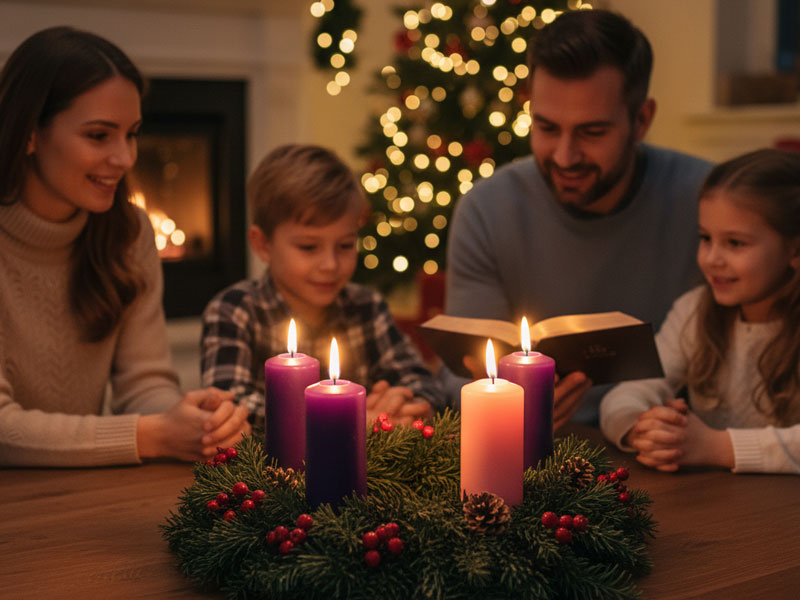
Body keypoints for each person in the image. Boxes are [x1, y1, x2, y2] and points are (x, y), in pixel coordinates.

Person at [444, 9, 713, 427]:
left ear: (642, 119)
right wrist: (495, 396)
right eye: (547, 127)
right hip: (538, 460)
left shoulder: (709, 205)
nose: (565, 156)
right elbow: (457, 375)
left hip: (677, 450)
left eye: (592, 133)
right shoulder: (486, 210)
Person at [0, 26, 250, 467]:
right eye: (99, 135)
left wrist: (192, 423)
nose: (126, 157)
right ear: (29, 133)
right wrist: (152, 436)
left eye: (132, 133)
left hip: (85, 486)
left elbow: (143, 383)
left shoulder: (129, 231)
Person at [201, 144, 444, 427]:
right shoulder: (235, 312)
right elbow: (228, 409)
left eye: (345, 245)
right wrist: (345, 419)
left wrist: (403, 408)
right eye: (308, 247)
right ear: (262, 244)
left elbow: (425, 386)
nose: (330, 264)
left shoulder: (367, 307)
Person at [600, 149, 800, 474]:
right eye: (706, 238)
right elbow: (632, 390)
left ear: (795, 248)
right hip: (718, 506)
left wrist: (717, 447)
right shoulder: (694, 310)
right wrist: (644, 429)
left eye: (735, 243)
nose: (711, 258)